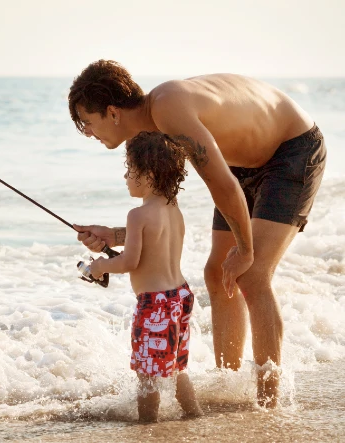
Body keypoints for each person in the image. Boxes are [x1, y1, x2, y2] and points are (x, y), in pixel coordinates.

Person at [70, 61, 326, 407]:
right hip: (243, 163)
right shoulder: (153, 127)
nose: (87, 132)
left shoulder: (168, 108)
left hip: (291, 150)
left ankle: (268, 402)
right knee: (217, 272)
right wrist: (116, 235)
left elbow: (223, 186)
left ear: (112, 112)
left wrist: (246, 251)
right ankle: (230, 386)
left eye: (87, 121)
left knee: (251, 273)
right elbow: (164, 218)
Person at [85, 131, 202, 422]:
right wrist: (110, 238)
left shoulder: (137, 215)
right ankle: (194, 414)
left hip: (155, 306)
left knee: (147, 376)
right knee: (176, 369)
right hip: (180, 296)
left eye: (130, 171)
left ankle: (147, 426)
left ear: (147, 175)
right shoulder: (173, 208)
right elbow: (151, 245)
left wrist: (99, 267)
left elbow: (129, 262)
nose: (126, 178)